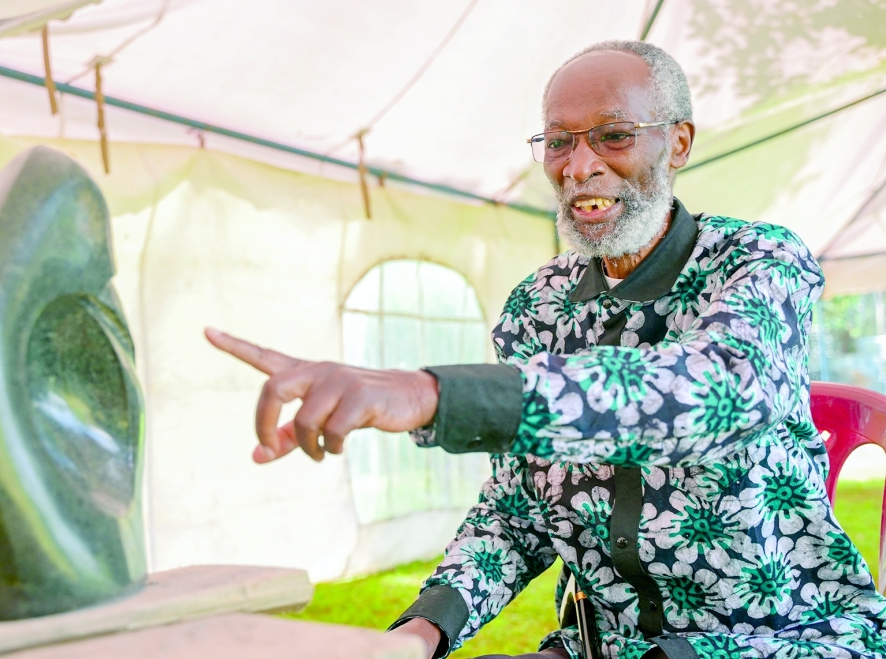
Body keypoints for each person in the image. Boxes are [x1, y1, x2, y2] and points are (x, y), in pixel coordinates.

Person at [206, 40, 886, 659]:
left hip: (785, 640)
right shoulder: (539, 304)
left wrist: (432, 395)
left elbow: (712, 389)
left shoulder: (759, 259)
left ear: (678, 143)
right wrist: (422, 631)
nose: (580, 166)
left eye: (614, 136)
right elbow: (516, 511)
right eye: (558, 142)